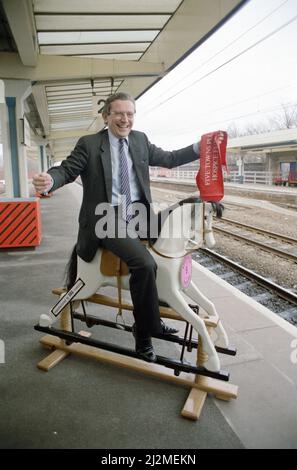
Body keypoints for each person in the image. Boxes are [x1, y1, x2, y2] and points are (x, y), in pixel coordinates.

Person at [33, 92, 200, 362]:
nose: (125, 119)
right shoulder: (89, 144)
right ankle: (144, 333)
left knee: (174, 245)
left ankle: (156, 306)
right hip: (105, 217)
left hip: (138, 213)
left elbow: (169, 158)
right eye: (119, 114)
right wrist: (50, 181)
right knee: (144, 263)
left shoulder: (140, 140)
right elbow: (66, 170)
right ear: (106, 116)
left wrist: (199, 148)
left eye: (130, 114)